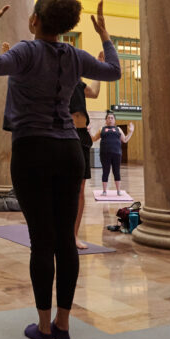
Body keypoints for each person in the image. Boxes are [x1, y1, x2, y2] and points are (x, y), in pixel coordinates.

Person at [0, 0, 120, 339]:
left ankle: (43, 327)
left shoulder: (27, 50)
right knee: (65, 242)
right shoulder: (74, 56)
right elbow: (114, 71)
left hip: (32, 150)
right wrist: (105, 36)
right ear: (66, 26)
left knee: (42, 241)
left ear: (34, 20)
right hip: (69, 151)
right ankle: (64, 323)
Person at [70, 70, 102, 250]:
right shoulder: (57, 79)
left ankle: (74, 234)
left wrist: (99, 68)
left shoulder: (79, 84)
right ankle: (60, 233)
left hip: (81, 136)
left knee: (81, 188)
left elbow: (95, 93)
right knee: (64, 186)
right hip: (65, 132)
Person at [92, 113, 134, 196]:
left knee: (116, 171)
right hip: (104, 154)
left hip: (116, 154)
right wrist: (89, 131)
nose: (110, 119)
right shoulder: (102, 129)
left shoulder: (118, 129)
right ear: (106, 120)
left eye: (112, 118)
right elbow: (94, 139)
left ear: (114, 120)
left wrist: (131, 132)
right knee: (105, 171)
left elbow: (125, 140)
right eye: (108, 118)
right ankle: (104, 191)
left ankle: (118, 191)